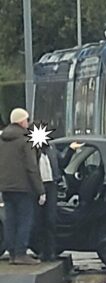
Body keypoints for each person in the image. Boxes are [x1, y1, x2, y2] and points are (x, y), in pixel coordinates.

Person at [0, 108, 45, 265]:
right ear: (21, 121)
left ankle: (12, 253)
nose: (28, 122)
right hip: (23, 187)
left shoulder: (2, 139)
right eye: (26, 119)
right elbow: (31, 167)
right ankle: (21, 253)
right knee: (25, 220)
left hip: (5, 187)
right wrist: (40, 190)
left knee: (10, 220)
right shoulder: (26, 140)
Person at [34, 136, 84, 262]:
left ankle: (50, 251)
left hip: (51, 185)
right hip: (36, 186)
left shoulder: (51, 148)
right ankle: (41, 250)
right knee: (39, 219)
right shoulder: (32, 150)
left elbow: (61, 163)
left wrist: (70, 150)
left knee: (50, 219)